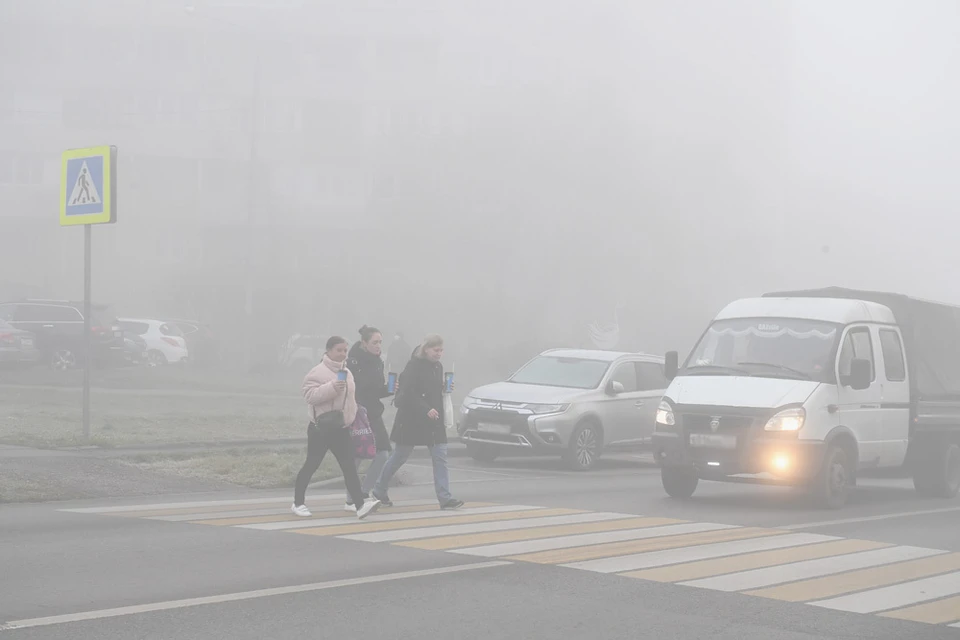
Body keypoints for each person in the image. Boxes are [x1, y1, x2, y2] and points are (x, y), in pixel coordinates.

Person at [292, 336, 380, 519]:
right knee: (312, 464)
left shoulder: (347, 372)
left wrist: (354, 415)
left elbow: (349, 399)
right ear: (329, 350)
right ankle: (298, 503)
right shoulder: (317, 372)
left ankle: (359, 505)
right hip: (321, 429)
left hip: (341, 428)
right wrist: (332, 387)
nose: (342, 354)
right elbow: (310, 396)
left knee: (348, 466)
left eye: (345, 350)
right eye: (338, 350)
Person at [372, 334, 463, 510]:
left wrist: (444, 387)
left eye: (441, 350)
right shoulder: (413, 366)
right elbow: (406, 394)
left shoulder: (438, 366)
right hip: (411, 419)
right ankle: (379, 490)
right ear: (426, 349)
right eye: (436, 350)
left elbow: (431, 388)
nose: (439, 354)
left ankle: (445, 498)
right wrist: (425, 408)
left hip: (434, 420)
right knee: (399, 456)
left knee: (440, 456)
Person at [343, 325, 395, 512]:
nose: (378, 346)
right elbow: (350, 388)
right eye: (375, 342)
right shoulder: (353, 361)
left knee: (382, 453)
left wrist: (388, 390)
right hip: (357, 413)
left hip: (373, 413)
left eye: (380, 342)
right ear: (364, 343)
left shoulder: (378, 361)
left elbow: (375, 390)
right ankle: (351, 499)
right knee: (357, 455)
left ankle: (363, 493)